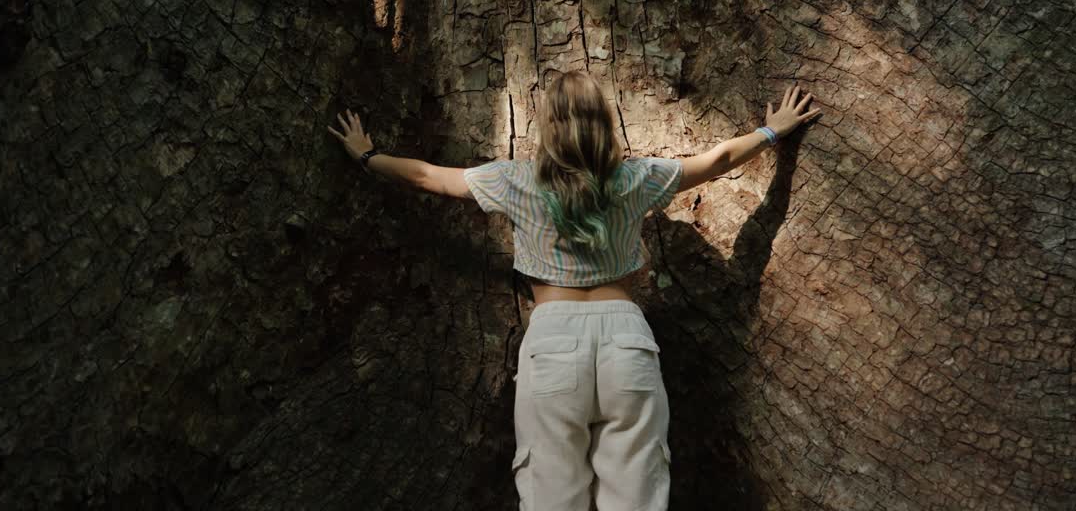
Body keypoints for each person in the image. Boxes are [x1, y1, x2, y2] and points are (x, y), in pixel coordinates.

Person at [328, 72, 821, 510]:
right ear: (602, 123)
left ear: (549, 128)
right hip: (626, 340)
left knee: (550, 494)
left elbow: (426, 175)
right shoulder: (636, 179)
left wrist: (367, 155)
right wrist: (772, 129)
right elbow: (717, 160)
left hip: (554, 340)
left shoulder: (514, 180)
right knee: (637, 494)